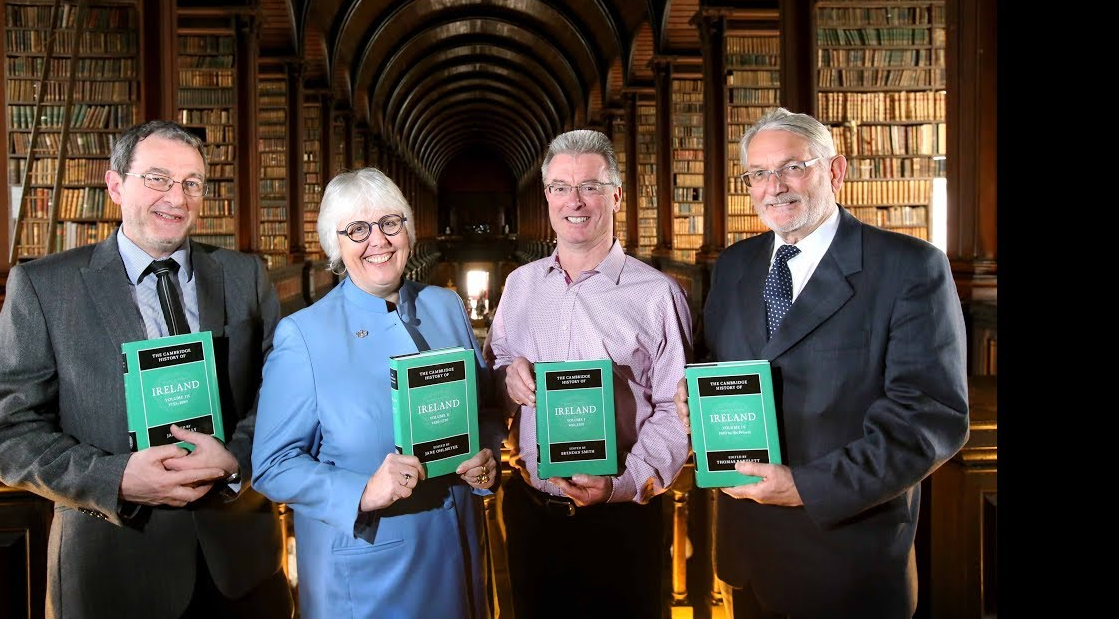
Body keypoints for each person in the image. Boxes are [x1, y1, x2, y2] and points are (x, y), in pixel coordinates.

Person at [0, 120, 294, 619]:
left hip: (242, 568)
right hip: (112, 571)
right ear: (115, 185)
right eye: (157, 178)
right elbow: (3, 433)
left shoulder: (245, 274)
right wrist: (116, 477)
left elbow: (283, 394)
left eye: (191, 183)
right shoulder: (44, 286)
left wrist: (235, 460)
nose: (176, 197)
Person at [700, 107, 969, 618]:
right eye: (758, 174)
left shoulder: (909, 267)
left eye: (792, 167)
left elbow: (929, 420)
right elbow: (722, 364)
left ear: (836, 171)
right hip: (749, 550)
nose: (774, 187)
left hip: (846, 559)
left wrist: (805, 487)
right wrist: (693, 398)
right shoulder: (734, 264)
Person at [251, 167, 503, 619]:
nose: (378, 241)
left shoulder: (446, 306)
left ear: (408, 229)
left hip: (460, 554)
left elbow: (483, 408)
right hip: (369, 580)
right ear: (336, 244)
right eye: (358, 229)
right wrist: (362, 491)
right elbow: (272, 466)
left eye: (390, 222)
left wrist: (487, 456)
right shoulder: (303, 335)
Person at [488, 129, 694, 619]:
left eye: (590, 187)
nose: (574, 201)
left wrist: (624, 482)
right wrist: (507, 380)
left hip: (622, 522)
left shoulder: (657, 294)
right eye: (561, 187)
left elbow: (678, 410)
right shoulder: (520, 286)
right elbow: (497, 369)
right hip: (532, 515)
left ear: (617, 195)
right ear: (547, 196)